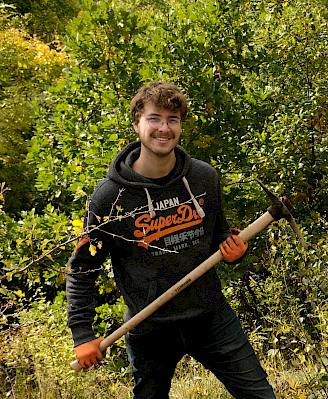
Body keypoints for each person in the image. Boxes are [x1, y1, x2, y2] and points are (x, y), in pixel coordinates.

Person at [66, 81, 276, 398]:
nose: (164, 128)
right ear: (137, 123)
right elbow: (82, 269)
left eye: (173, 120)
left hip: (210, 317)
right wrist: (83, 335)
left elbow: (220, 234)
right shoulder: (109, 198)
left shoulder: (204, 177)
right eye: (155, 118)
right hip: (149, 326)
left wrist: (235, 250)